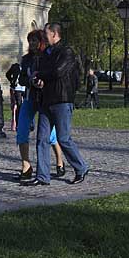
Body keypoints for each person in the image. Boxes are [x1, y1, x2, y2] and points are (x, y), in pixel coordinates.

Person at [31, 23, 89, 186]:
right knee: (42, 139)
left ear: (55, 34)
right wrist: (38, 80)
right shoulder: (46, 54)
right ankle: (42, 176)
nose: (44, 36)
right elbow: (43, 73)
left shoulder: (66, 52)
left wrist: (40, 74)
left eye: (46, 33)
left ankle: (81, 167)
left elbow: (58, 71)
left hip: (62, 100)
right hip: (46, 100)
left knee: (63, 139)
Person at [14, 31, 64, 184]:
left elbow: (53, 75)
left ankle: (59, 161)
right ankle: (26, 165)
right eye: (30, 41)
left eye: (35, 40)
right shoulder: (26, 59)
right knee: (22, 129)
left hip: (44, 99)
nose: (33, 44)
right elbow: (22, 79)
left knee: (50, 134)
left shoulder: (47, 57)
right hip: (30, 97)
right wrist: (29, 80)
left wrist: (43, 82)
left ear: (42, 41)